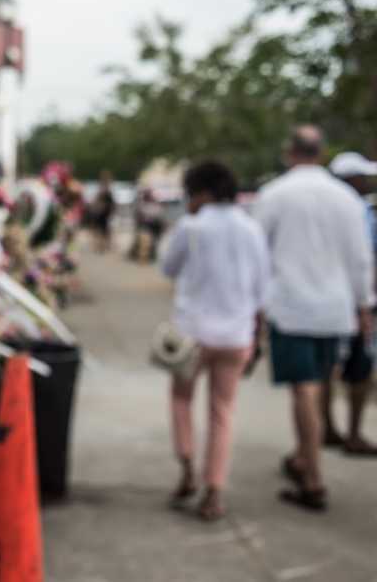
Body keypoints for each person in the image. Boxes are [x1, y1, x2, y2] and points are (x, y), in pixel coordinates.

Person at [254, 126, 376, 511]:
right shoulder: (345, 199)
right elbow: (360, 259)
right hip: (335, 308)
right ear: (321, 153)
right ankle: (305, 455)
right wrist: (363, 305)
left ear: (290, 152)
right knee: (320, 382)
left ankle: (313, 476)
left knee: (304, 388)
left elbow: (258, 258)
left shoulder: (274, 195)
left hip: (291, 307)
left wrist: (254, 309)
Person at [161, 160, 269, 521]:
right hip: (236, 334)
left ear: (203, 193)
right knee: (223, 412)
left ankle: (188, 467)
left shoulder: (191, 227)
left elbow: (168, 268)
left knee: (181, 400)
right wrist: (259, 331)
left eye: (189, 194)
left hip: (193, 333)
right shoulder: (252, 229)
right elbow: (262, 288)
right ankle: (214, 491)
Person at [322, 152, 377, 455]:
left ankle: (327, 428)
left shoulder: (323, 210)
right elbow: (365, 260)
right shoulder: (358, 211)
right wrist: (366, 305)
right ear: (352, 179)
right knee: (360, 370)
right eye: (364, 176)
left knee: (326, 369)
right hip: (356, 301)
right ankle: (353, 433)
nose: (368, 181)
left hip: (328, 300)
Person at [89, 170, 116, 253]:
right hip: (102, 212)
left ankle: (100, 245)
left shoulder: (103, 188)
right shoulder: (105, 188)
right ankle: (101, 245)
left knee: (102, 229)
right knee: (103, 229)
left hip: (102, 212)